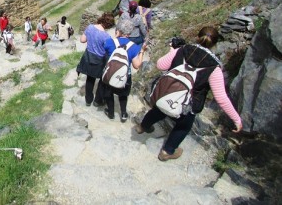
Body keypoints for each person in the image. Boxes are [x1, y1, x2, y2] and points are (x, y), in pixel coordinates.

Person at [136, 26, 243, 161]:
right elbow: (221, 97)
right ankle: (167, 151)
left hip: (168, 92)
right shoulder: (214, 67)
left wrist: (173, 52)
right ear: (215, 44)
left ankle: (142, 127)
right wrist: (236, 119)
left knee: (158, 110)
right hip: (189, 104)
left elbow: (160, 65)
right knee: (183, 126)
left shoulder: (183, 49)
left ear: (198, 37)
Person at [103, 20, 147, 122]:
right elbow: (136, 65)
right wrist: (142, 52)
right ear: (130, 32)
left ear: (118, 30)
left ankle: (110, 113)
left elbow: (103, 54)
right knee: (123, 95)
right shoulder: (134, 46)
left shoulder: (110, 42)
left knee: (108, 93)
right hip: (125, 76)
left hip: (110, 73)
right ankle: (123, 114)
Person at [76, 12, 115, 107]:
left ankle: (88, 100)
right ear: (109, 25)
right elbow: (110, 51)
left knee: (90, 79)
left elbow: (82, 40)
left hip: (88, 56)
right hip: (99, 60)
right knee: (101, 80)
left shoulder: (90, 27)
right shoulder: (107, 37)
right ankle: (98, 100)